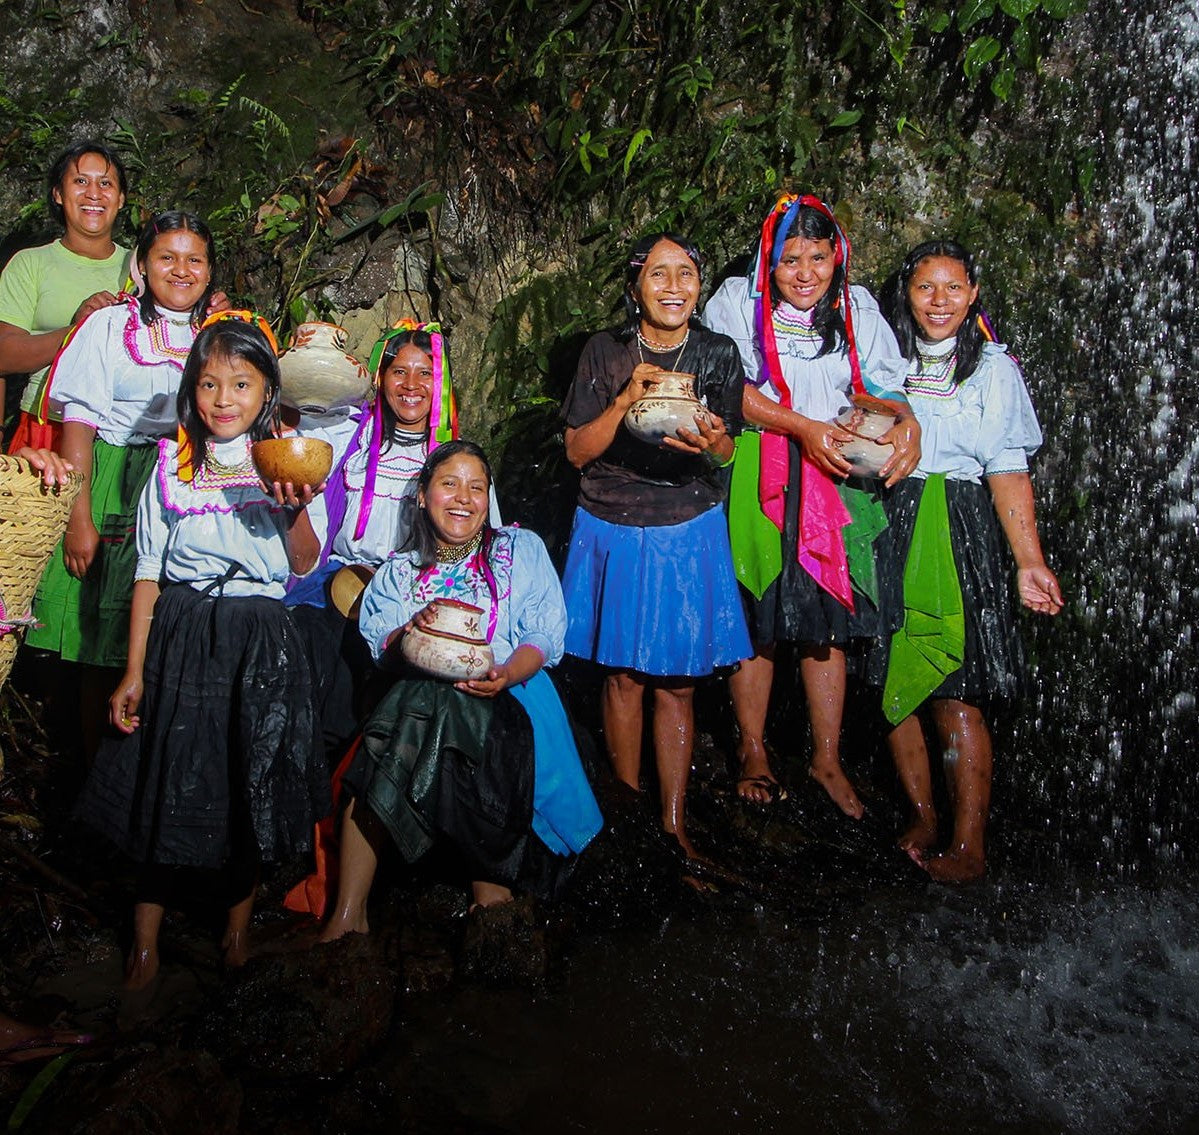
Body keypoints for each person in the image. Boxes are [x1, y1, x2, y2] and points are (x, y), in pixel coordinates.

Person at [77, 314, 331, 991]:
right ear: (192, 392)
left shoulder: (292, 461)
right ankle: (144, 945)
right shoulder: (172, 465)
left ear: (266, 393)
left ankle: (238, 930)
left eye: (241, 384)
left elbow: (305, 564)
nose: (224, 398)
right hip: (184, 631)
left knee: (247, 777)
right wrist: (134, 671)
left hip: (259, 636)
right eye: (210, 383)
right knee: (163, 777)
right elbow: (148, 575)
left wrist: (295, 505)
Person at [320, 441, 601, 938]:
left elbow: (542, 637)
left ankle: (350, 914)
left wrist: (506, 674)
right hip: (425, 708)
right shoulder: (399, 574)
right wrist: (411, 630)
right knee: (425, 698)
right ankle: (486, 891)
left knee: (415, 712)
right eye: (449, 483)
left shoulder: (520, 550)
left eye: (476, 487)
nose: (463, 498)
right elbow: (384, 645)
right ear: (424, 496)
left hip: (512, 697)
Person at [703, 193, 922, 816]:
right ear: (768, 263)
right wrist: (801, 427)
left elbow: (884, 389)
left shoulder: (856, 310)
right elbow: (727, 387)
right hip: (762, 466)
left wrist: (908, 425)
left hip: (839, 473)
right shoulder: (735, 303)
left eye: (818, 258)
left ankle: (826, 757)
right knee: (761, 606)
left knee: (829, 614)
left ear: (837, 258)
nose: (804, 273)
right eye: (790, 259)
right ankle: (752, 748)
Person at [873, 239, 1062, 883]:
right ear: (908, 293)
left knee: (956, 690)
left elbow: (1007, 468)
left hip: (961, 528)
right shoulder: (885, 358)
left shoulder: (993, 369)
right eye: (926, 287)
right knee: (895, 684)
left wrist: (1028, 561)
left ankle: (969, 843)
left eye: (953, 288)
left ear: (974, 294)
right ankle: (924, 817)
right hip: (891, 520)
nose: (939, 301)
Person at [560, 232, 751, 861]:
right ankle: (629, 824)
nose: (674, 286)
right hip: (611, 521)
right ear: (635, 287)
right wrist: (625, 400)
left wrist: (715, 441)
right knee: (621, 679)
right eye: (660, 275)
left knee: (679, 682)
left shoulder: (718, 353)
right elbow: (577, 452)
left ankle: (673, 828)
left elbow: (726, 454)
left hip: (685, 527)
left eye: (687, 273)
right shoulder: (605, 351)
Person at [25, 211, 217, 753]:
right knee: (103, 642)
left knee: (167, 630)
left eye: (194, 259)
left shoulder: (219, 333)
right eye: (166, 257)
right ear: (141, 264)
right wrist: (77, 515)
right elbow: (79, 424)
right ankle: (92, 778)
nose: (181, 270)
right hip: (115, 478)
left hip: (187, 482)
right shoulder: (110, 327)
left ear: (209, 271)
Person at [286, 320, 460, 757]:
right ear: (379, 378)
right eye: (399, 371)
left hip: (410, 591)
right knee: (311, 654)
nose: (412, 385)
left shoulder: (452, 456)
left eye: (426, 373)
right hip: (335, 580)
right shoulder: (352, 435)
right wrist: (294, 354)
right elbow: (291, 419)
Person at [0, 140, 131, 454]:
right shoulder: (30, 264)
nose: (94, 194)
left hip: (126, 430)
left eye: (106, 183)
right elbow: (4, 354)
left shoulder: (144, 267)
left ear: (121, 199)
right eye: (80, 181)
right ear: (58, 194)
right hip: (47, 427)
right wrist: (77, 331)